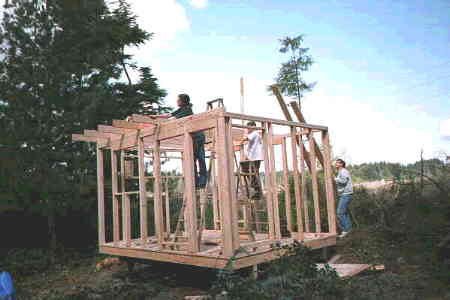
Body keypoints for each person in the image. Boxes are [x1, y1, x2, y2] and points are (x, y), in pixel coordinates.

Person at [151, 94, 207, 189]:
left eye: (178, 100)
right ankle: (196, 182)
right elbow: (169, 115)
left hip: (198, 136)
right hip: (193, 136)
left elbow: (173, 119)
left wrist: (160, 123)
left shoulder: (187, 109)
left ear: (182, 101)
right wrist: (156, 116)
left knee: (200, 158)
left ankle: (201, 181)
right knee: (193, 159)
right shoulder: (181, 109)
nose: (176, 101)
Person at [240, 121, 263, 199]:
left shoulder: (255, 133)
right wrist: (247, 156)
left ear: (253, 127)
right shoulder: (256, 135)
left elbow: (247, 138)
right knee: (253, 173)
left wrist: (242, 140)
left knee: (251, 171)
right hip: (254, 158)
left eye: (248, 128)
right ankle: (256, 190)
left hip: (255, 158)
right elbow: (252, 147)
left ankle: (257, 190)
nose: (248, 129)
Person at [335, 159, 353, 238]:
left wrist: (335, 179)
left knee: (340, 213)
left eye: (337, 163)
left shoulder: (343, 171)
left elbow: (344, 181)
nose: (335, 164)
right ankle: (349, 229)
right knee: (344, 213)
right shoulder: (340, 172)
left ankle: (347, 230)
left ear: (341, 164)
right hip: (345, 194)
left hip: (346, 194)